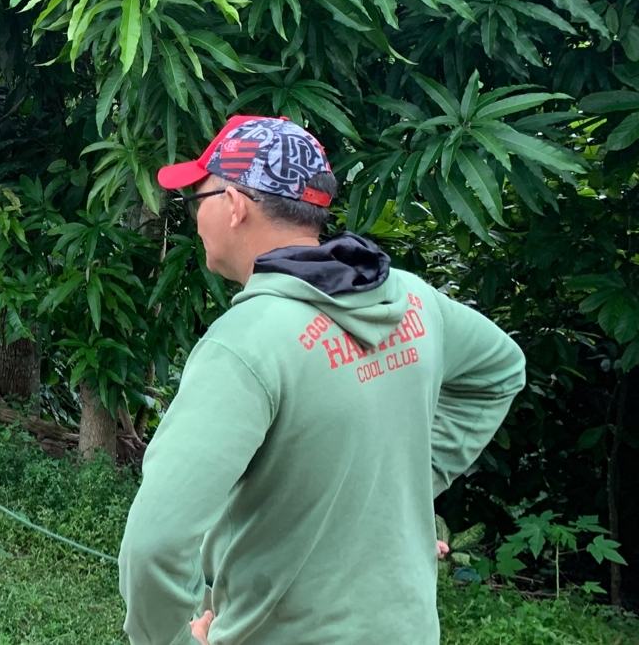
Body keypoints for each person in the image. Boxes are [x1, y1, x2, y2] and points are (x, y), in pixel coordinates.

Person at [118, 115, 527, 645]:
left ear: (235, 204)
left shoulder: (245, 344)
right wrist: (409, 484)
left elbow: (155, 542)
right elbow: (500, 370)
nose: (195, 218)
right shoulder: (412, 300)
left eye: (197, 200)